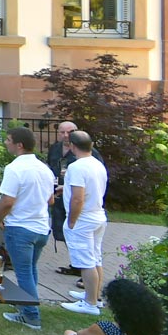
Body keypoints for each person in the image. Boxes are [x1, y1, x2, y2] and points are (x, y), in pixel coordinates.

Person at [0, 125, 55, 330]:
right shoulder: (44, 168)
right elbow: (51, 199)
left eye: (8, 139)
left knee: (23, 272)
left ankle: (31, 315)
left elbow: (7, 202)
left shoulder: (14, 168)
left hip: (20, 228)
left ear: (19, 145)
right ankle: (26, 307)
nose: (5, 142)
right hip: (41, 228)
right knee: (30, 270)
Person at [61, 130, 109, 316]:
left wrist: (72, 220)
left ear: (72, 146)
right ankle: (94, 296)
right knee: (95, 257)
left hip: (83, 218)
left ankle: (90, 304)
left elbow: (78, 199)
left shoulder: (76, 167)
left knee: (86, 261)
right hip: (98, 215)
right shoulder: (97, 164)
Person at [48, 119, 104, 264]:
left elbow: (88, 186)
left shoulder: (89, 157)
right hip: (61, 196)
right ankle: (76, 263)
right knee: (64, 234)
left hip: (81, 207)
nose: (66, 135)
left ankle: (82, 269)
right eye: (62, 132)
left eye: (70, 132)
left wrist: (72, 221)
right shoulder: (55, 149)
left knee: (87, 251)